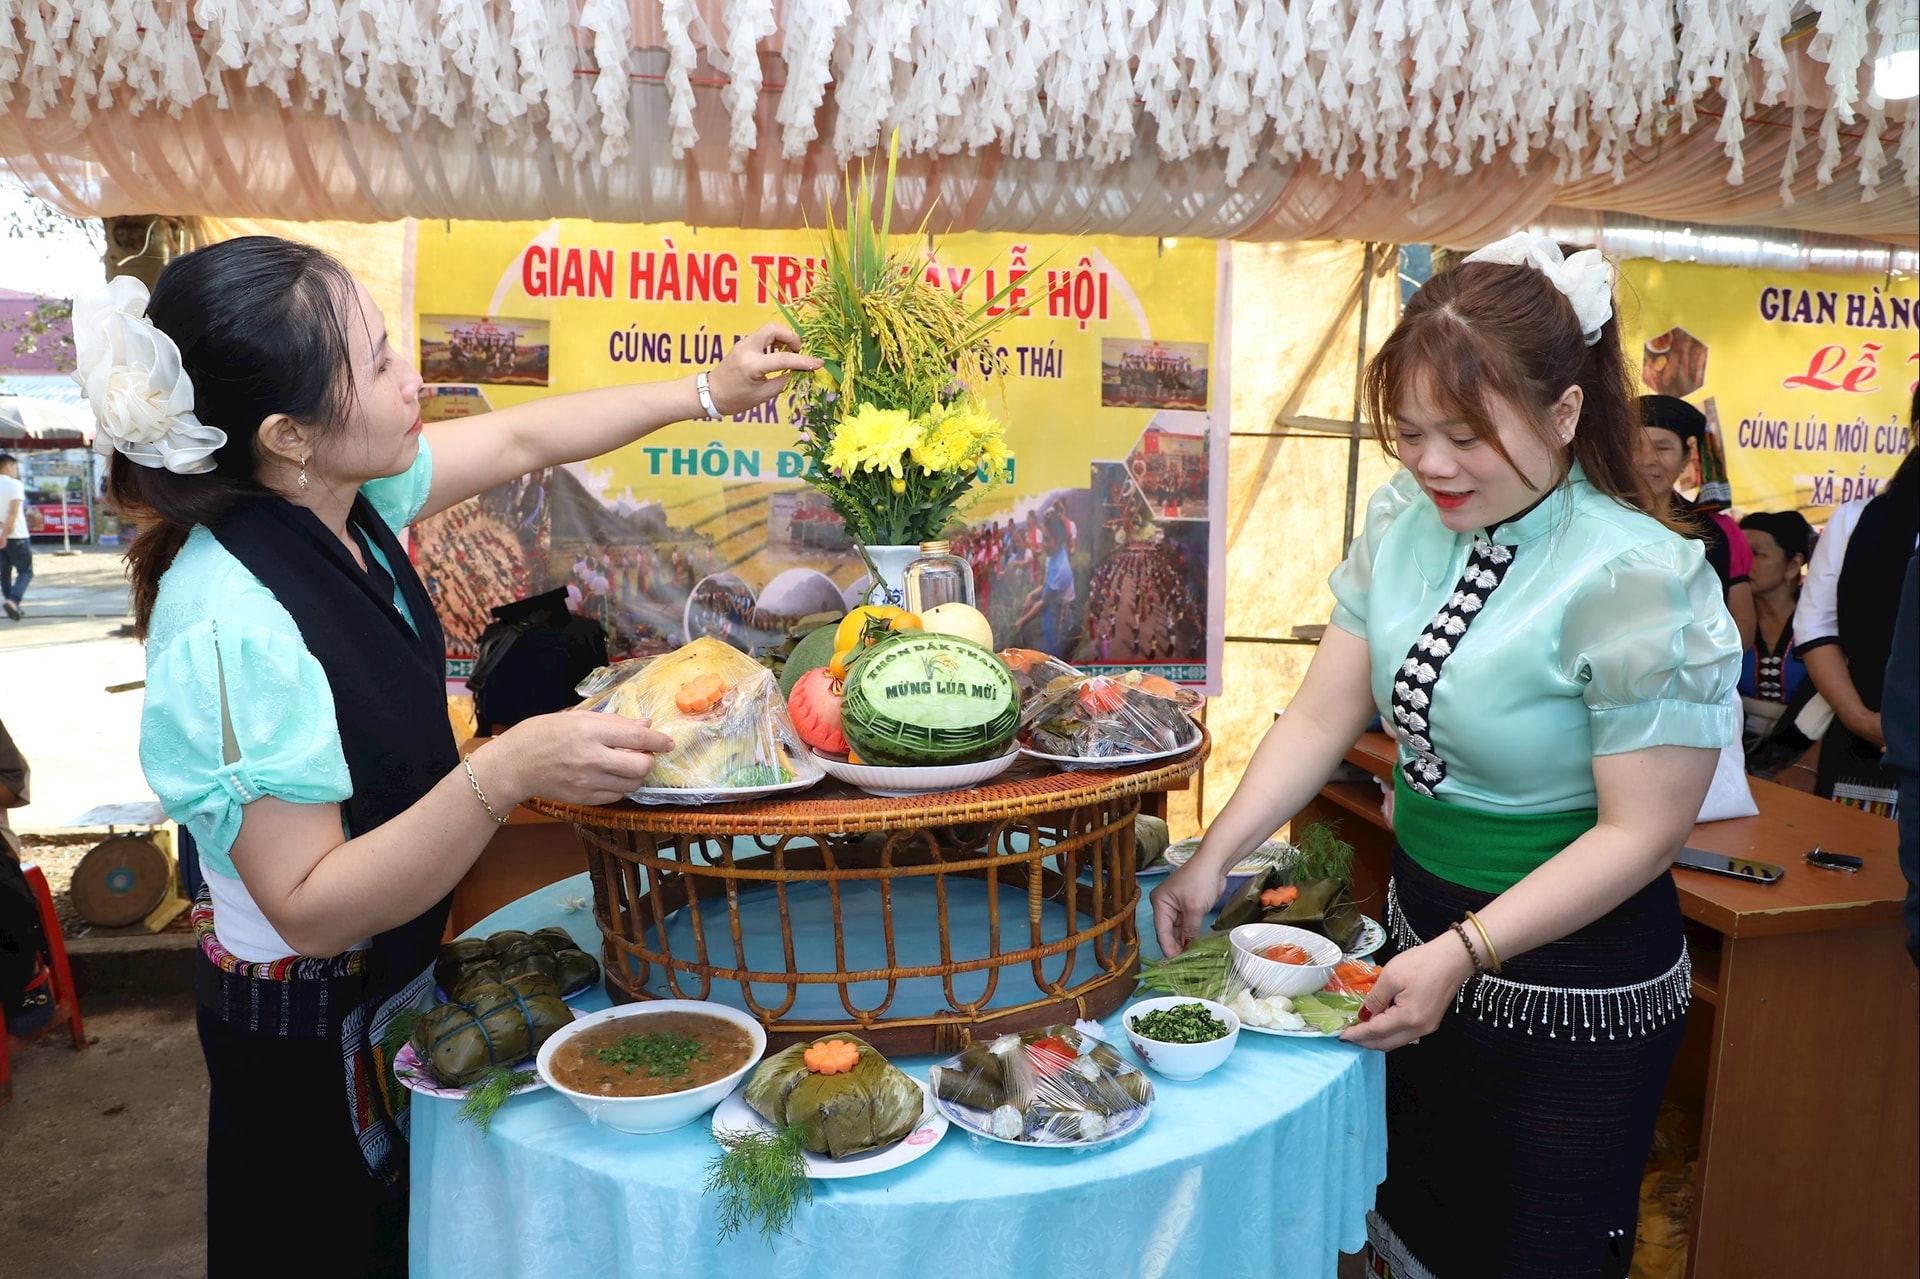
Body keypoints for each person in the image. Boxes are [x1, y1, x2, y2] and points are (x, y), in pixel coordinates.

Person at [80, 236, 816, 1277]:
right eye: (377, 361)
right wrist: (506, 771)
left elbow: (521, 435)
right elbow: (311, 904)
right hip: (304, 1034)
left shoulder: (341, 505)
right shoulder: (230, 621)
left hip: (394, 979)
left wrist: (710, 389)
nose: (412, 377)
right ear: (289, 435)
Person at [1150, 234, 1738, 1279]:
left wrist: (1465, 953)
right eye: (1412, 432)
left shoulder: (1640, 576)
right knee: (1410, 1231)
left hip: (1569, 989)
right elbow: (1319, 716)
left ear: (1565, 411)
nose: (1431, 464)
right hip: (1419, 943)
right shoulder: (1404, 520)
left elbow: (1642, 834)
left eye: (1465, 435)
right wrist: (1213, 857)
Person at [1794, 427, 1918, 818]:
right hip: (1866, 732)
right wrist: (1861, 719)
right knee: (1856, 850)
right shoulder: (1856, 520)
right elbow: (1816, 628)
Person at [1636, 396, 1756, 650]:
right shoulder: (1594, 520)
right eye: (1633, 446)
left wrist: (1703, 664)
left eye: (1662, 448)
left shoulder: (1719, 530)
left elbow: (1742, 620)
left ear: (1686, 457)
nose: (1647, 459)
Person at [1736, 509, 1816, 773]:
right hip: (1733, 754)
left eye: (1756, 553)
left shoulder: (1821, 625)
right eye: (1740, 552)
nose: (1743, 561)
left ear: (1793, 565)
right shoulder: (1725, 619)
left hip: (1803, 760)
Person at [0, 453, 31, 619]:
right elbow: (13, 512)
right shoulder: (15, 484)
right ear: (7, 466)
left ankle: (11, 605)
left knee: (4, 573)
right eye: (14, 467)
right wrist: (5, 534)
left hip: (1, 535)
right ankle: (13, 601)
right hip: (17, 535)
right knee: (25, 572)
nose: (15, 470)